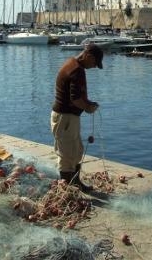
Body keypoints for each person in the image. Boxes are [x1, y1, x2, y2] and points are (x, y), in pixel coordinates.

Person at [50, 42, 104, 192]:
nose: (94, 67)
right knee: (67, 155)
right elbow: (75, 99)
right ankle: (68, 190)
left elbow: (76, 96)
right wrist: (88, 107)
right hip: (65, 118)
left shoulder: (72, 64)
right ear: (88, 55)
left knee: (76, 150)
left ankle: (75, 183)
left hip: (67, 118)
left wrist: (88, 103)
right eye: (95, 62)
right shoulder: (76, 71)